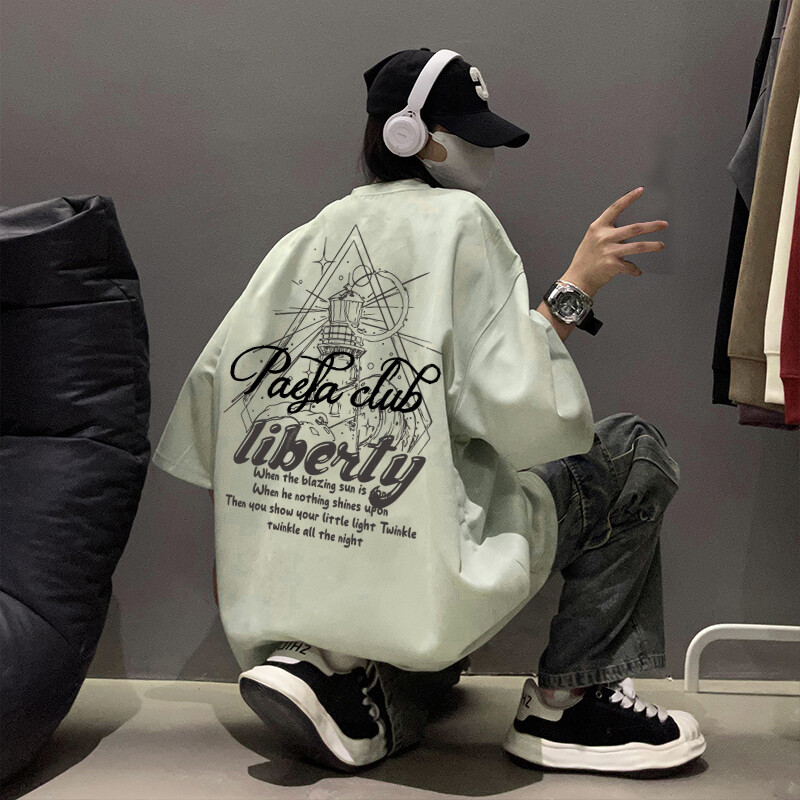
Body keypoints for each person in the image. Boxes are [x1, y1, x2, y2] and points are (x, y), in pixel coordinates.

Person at [153, 48, 706, 775]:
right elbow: (520, 411)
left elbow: (215, 401)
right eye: (471, 136)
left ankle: (336, 674)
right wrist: (577, 286)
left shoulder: (307, 236)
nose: (486, 153)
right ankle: (571, 704)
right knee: (632, 451)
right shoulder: (461, 221)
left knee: (436, 670)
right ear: (414, 136)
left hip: (285, 577)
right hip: (416, 554)